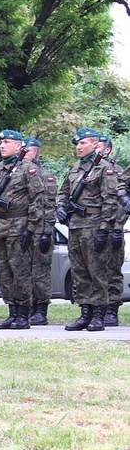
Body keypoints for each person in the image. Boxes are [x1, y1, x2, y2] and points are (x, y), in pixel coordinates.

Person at [0, 131, 45, 329]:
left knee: (20, 271)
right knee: (4, 273)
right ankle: (12, 311)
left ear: (19, 146)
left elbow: (37, 201)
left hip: (19, 226)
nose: (3, 145)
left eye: (7, 142)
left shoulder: (28, 169)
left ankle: (23, 313)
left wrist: (30, 229)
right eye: (1, 142)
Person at [57, 128, 118, 331]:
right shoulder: (76, 168)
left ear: (95, 144)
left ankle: (98, 314)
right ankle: (85, 312)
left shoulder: (104, 169)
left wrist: (104, 230)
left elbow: (110, 201)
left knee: (97, 271)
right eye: (77, 144)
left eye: (83, 143)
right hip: (75, 227)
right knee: (79, 272)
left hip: (94, 226)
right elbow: (63, 191)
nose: (79, 147)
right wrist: (60, 207)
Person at [23, 138, 56, 326]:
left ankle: (41, 309)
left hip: (40, 229)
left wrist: (47, 232)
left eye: (28, 151)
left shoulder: (44, 175)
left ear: (36, 153)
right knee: (24, 271)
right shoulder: (17, 175)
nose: (24, 155)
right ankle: (27, 307)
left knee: (40, 271)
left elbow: (49, 206)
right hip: (24, 229)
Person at [97, 135, 124, 326]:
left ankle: (112, 309)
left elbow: (120, 204)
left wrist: (116, 228)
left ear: (107, 150)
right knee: (97, 269)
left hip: (113, 228)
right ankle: (98, 308)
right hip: (95, 228)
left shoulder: (116, 172)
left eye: (98, 146)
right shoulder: (88, 172)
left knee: (112, 269)